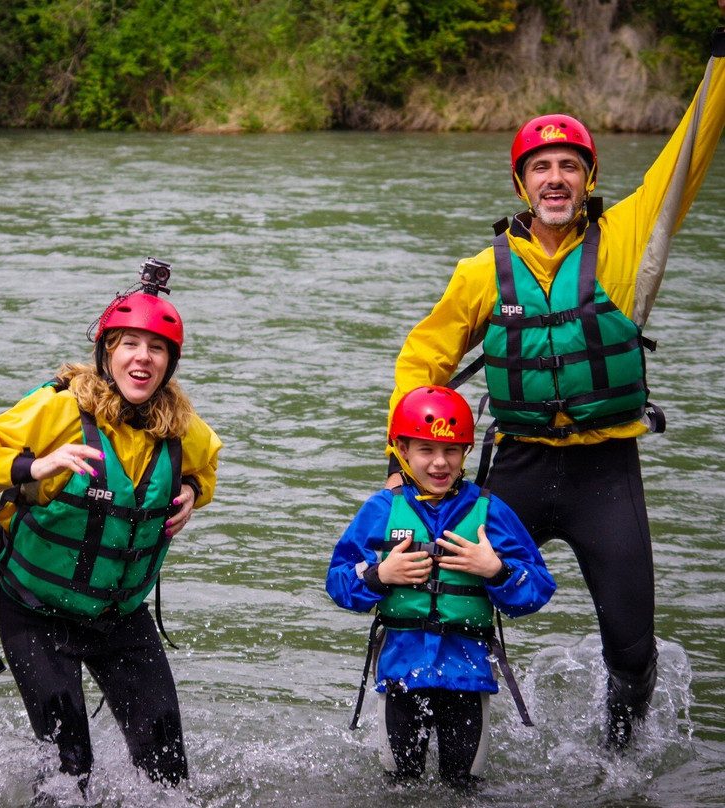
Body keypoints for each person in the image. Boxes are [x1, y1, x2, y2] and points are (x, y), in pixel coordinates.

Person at [387, 5, 725, 749]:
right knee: (448, 606)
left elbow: (689, 153)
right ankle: (446, 766)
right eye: (540, 166)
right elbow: (425, 359)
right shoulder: (483, 271)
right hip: (520, 464)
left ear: (588, 177)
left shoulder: (628, 238)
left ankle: (619, 764)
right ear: (522, 182)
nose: (555, 177)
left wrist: (722, 58)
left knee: (633, 646)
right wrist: (400, 456)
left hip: (606, 469)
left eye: (569, 164)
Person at [0, 259, 222, 792]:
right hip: (38, 613)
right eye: (130, 343)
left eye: (157, 349)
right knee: (71, 769)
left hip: (121, 618)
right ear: (107, 351)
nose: (143, 357)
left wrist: (192, 492)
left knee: (169, 774)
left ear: (169, 364)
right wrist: (30, 466)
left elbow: (207, 469)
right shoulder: (59, 410)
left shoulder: (186, 432)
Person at [329, 386, 555, 785]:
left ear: (466, 452)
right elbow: (338, 582)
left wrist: (496, 570)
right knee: (400, 787)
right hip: (401, 671)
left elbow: (537, 587)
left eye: (451, 451)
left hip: (468, 675)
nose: (439, 462)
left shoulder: (489, 511)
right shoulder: (381, 510)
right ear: (401, 449)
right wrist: (380, 575)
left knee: (464, 788)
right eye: (426, 450)